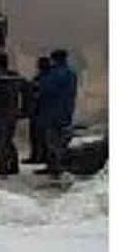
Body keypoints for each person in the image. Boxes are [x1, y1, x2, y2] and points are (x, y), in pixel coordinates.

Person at [36, 48, 79, 176]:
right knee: (62, 141)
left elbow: (44, 89)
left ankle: (55, 167)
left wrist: (43, 75)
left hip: (51, 112)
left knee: (52, 143)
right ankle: (59, 166)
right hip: (66, 111)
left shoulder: (53, 74)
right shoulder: (71, 74)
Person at [0, 51, 25, 175]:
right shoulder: (15, 77)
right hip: (12, 113)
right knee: (8, 140)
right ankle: (13, 164)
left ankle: (2, 167)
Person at [23, 55, 53, 166]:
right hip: (37, 111)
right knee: (35, 136)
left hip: (42, 111)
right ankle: (37, 156)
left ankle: (40, 156)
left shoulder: (46, 78)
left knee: (41, 137)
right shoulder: (40, 77)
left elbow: (37, 93)